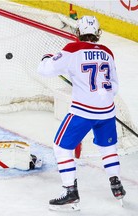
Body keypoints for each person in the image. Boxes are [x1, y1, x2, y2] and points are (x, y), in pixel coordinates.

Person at [37, 16, 126, 210]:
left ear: (78, 33)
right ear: (98, 33)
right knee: (108, 148)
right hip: (107, 111)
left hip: (83, 111)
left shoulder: (72, 49)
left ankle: (70, 192)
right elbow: (115, 86)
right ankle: (116, 185)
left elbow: (45, 70)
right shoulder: (108, 53)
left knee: (60, 146)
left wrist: (45, 58)